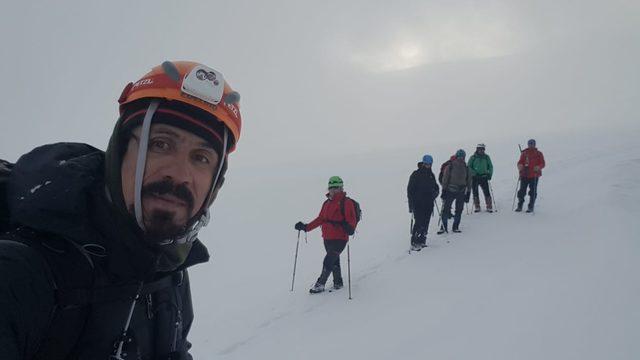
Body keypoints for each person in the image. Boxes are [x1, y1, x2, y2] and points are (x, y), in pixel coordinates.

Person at [0, 61, 242, 359]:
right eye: (161, 144)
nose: (179, 174)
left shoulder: (170, 271)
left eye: (201, 158)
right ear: (119, 152)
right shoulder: (21, 272)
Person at [295, 176, 357, 294]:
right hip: (327, 238)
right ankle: (338, 283)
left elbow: (352, 219)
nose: (333, 190)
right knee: (334, 260)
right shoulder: (326, 203)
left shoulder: (346, 202)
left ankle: (320, 284)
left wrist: (350, 228)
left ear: (341, 188)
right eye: (331, 188)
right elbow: (320, 219)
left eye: (336, 188)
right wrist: (306, 227)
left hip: (340, 238)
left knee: (328, 260)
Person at [407, 155, 439, 251]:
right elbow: (410, 190)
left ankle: (422, 240)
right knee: (419, 222)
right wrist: (411, 204)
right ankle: (414, 242)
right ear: (423, 163)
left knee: (426, 222)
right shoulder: (416, 174)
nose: (428, 166)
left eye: (429, 164)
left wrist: (435, 193)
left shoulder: (431, 175)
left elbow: (436, 187)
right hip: (418, 203)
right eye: (426, 164)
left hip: (429, 203)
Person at [438, 149, 472, 234]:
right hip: (453, 191)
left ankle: (451, 227)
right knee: (449, 210)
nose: (461, 158)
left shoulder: (465, 167)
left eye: (462, 157)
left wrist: (468, 192)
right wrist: (444, 191)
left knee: (456, 209)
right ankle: (446, 227)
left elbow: (469, 181)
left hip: (458, 191)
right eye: (460, 157)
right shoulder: (451, 166)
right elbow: (445, 179)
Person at [516, 139, 545, 212]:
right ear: (528, 144)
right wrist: (520, 165)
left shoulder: (539, 153)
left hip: (534, 175)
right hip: (524, 175)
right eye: (529, 144)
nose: (531, 145)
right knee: (522, 191)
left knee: (533, 192)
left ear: (534, 144)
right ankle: (520, 205)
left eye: (532, 144)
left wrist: (538, 167)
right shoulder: (524, 153)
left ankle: (531, 206)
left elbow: (543, 163)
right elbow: (520, 162)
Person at [467, 143, 494, 212]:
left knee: (486, 191)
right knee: (475, 192)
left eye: (483, 149)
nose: (481, 150)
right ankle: (477, 206)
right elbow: (468, 167)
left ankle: (489, 206)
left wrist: (489, 174)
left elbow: (490, 166)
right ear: (477, 149)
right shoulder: (473, 157)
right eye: (480, 149)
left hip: (484, 176)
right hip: (475, 177)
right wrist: (473, 173)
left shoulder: (486, 157)